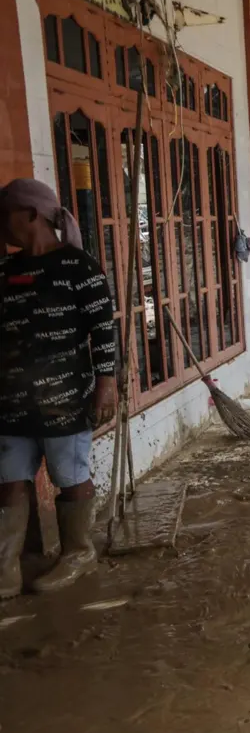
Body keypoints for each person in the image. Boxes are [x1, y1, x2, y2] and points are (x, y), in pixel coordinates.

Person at [0, 178, 117, 598]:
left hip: (64, 399)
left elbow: (103, 331)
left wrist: (106, 383)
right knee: (10, 480)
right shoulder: (5, 271)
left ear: (30, 214)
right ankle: (6, 568)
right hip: (12, 401)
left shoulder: (79, 268)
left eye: (5, 214)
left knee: (70, 477)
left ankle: (78, 552)